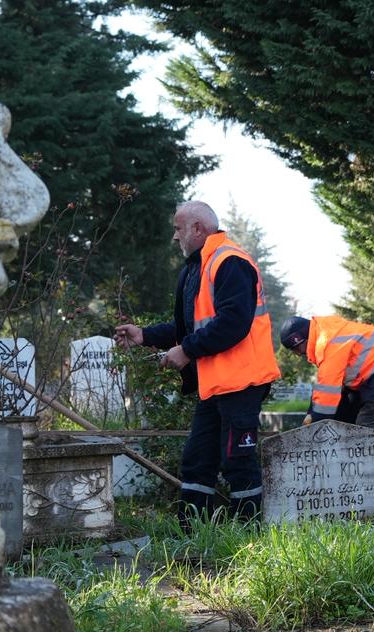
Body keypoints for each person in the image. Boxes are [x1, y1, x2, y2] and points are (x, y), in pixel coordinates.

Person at [113, 201, 280, 521]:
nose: (175, 237)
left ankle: (248, 538)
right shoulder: (198, 266)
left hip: (243, 381)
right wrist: (144, 335)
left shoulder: (230, 261)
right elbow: (190, 327)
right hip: (217, 383)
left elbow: (234, 323)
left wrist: (187, 350)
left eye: (178, 228)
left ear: (198, 228)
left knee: (237, 461)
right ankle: (191, 533)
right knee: (197, 458)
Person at [278, 315, 374, 502]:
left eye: (295, 350)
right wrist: (312, 411)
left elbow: (327, 397)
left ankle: (363, 491)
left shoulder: (327, 343)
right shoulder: (329, 331)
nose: (297, 355)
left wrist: (313, 429)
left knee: (362, 434)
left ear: (300, 340)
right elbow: (327, 385)